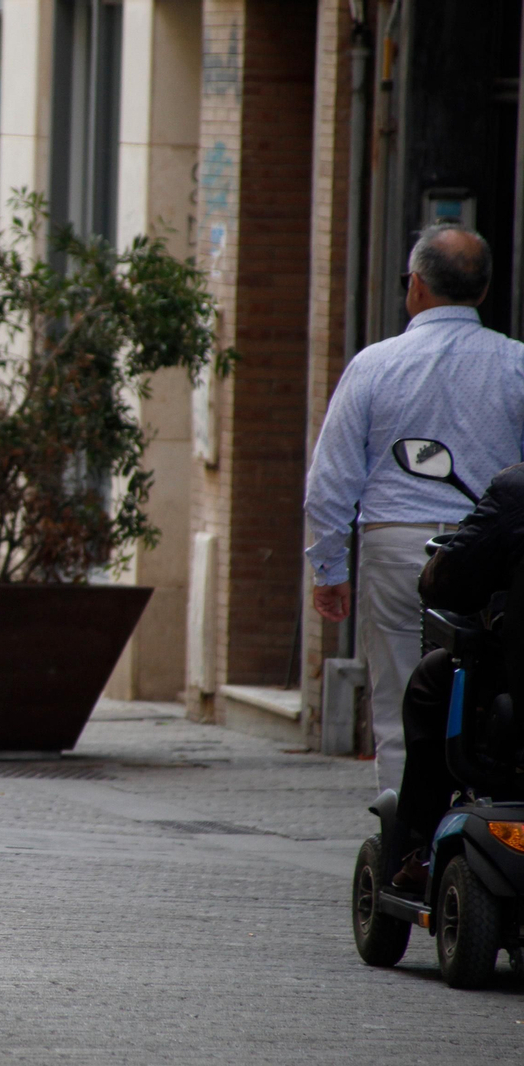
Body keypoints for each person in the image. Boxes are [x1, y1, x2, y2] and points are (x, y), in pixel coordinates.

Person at [306, 223, 524, 791]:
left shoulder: (375, 365)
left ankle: (405, 841)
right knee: (494, 685)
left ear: (417, 286)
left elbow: (331, 478)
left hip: (396, 545)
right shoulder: (516, 364)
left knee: (399, 696)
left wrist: (329, 570)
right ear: (481, 290)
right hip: (492, 553)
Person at [388, 461, 524, 891]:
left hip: (512, 702)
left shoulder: (516, 490)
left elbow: (446, 585)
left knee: (436, 677)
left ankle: (418, 848)